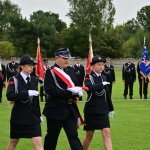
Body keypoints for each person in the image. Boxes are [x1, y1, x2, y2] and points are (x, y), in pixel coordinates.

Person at [43, 48, 83, 150]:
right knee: (52, 138)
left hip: (70, 109)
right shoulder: (50, 72)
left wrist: (78, 91)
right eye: (64, 58)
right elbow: (51, 91)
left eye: (68, 58)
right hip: (55, 109)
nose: (67, 60)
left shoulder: (71, 70)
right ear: (57, 58)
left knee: (74, 136)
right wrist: (70, 92)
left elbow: (76, 85)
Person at [6, 55, 43, 150]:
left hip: (33, 117)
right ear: (22, 66)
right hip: (19, 116)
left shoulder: (34, 80)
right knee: (13, 142)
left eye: (32, 65)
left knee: (38, 141)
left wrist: (39, 115)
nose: (31, 67)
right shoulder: (14, 79)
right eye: (29, 65)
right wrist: (26, 93)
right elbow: (10, 96)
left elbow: (36, 101)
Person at [83, 55, 114, 150]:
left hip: (103, 109)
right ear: (92, 66)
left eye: (102, 65)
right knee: (89, 135)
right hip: (91, 110)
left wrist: (111, 108)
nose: (101, 67)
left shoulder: (104, 77)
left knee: (106, 133)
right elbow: (89, 88)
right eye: (99, 65)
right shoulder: (88, 77)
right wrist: (101, 84)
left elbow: (107, 94)